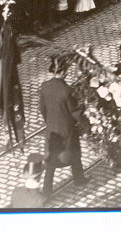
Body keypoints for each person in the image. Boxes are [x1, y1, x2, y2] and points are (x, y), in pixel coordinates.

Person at [40, 54, 87, 196]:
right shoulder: (67, 90)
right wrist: (87, 124)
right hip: (67, 129)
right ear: (62, 71)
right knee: (74, 152)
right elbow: (75, 112)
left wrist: (49, 121)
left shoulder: (45, 86)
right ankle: (79, 180)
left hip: (52, 129)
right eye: (66, 70)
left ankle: (46, 191)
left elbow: (42, 108)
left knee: (51, 161)